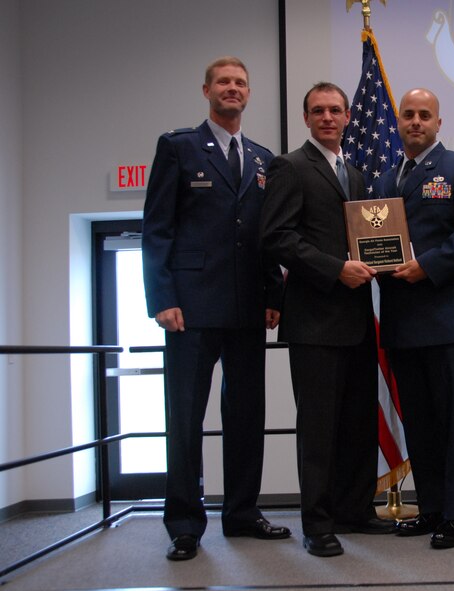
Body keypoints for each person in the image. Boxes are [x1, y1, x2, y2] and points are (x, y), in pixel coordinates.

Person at [142, 56, 289, 562]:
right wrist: (162, 298)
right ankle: (185, 522)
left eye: (241, 83)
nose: (233, 89)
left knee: (247, 417)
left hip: (248, 309)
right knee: (185, 418)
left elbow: (266, 237)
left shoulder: (264, 157)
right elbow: (157, 227)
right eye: (224, 82)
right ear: (206, 88)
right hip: (191, 309)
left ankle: (242, 513)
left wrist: (275, 296)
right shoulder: (179, 147)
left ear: (249, 94)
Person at [260, 81, 395, 558]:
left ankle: (354, 510)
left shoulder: (354, 175)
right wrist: (335, 268)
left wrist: (380, 261)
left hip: (357, 319)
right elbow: (276, 237)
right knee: (318, 428)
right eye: (318, 111)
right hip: (315, 321)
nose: (328, 118)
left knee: (358, 422)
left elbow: (363, 239)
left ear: (347, 116)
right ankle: (317, 524)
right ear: (307, 118)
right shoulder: (290, 167)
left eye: (335, 110)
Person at [372, 88, 454, 549]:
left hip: (448, 317)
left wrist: (428, 265)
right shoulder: (385, 181)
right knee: (419, 422)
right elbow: (376, 241)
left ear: (439, 123)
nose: (416, 122)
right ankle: (432, 509)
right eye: (408, 115)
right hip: (404, 319)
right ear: (398, 122)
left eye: (425, 115)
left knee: (453, 422)